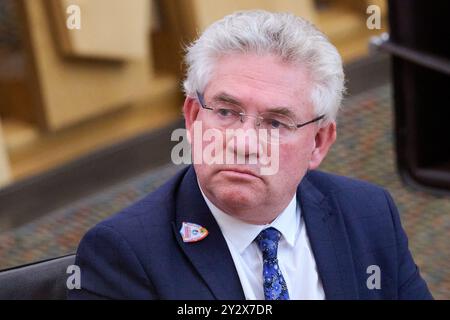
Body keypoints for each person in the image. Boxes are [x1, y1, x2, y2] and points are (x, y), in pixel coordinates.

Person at [68, 10, 432, 300]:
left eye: (275, 123)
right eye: (226, 113)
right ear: (194, 118)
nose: (244, 143)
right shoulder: (124, 254)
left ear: (319, 143)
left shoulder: (369, 213)